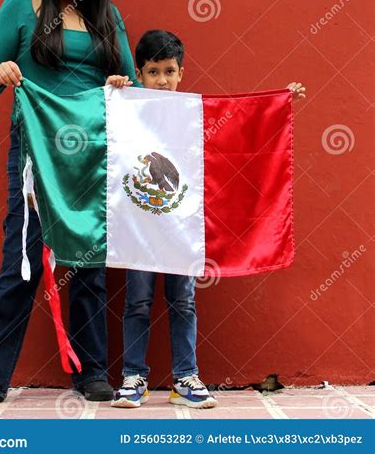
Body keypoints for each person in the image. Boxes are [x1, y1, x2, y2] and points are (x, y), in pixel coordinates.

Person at [0, 0, 140, 409]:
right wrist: (0, 73)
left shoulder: (107, 16)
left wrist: (119, 81)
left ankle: (92, 372)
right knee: (23, 260)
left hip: (93, 153)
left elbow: (133, 84)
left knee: (89, 262)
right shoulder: (19, 5)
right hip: (34, 150)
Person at [111, 30, 306, 409]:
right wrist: (114, 88)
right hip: (140, 226)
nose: (162, 80)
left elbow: (239, 125)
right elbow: (99, 116)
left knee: (183, 301)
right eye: (153, 72)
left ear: (182, 73)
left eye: (170, 71)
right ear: (139, 73)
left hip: (182, 228)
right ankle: (133, 377)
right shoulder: (127, 107)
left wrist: (281, 102)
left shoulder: (191, 113)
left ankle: (185, 377)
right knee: (137, 300)